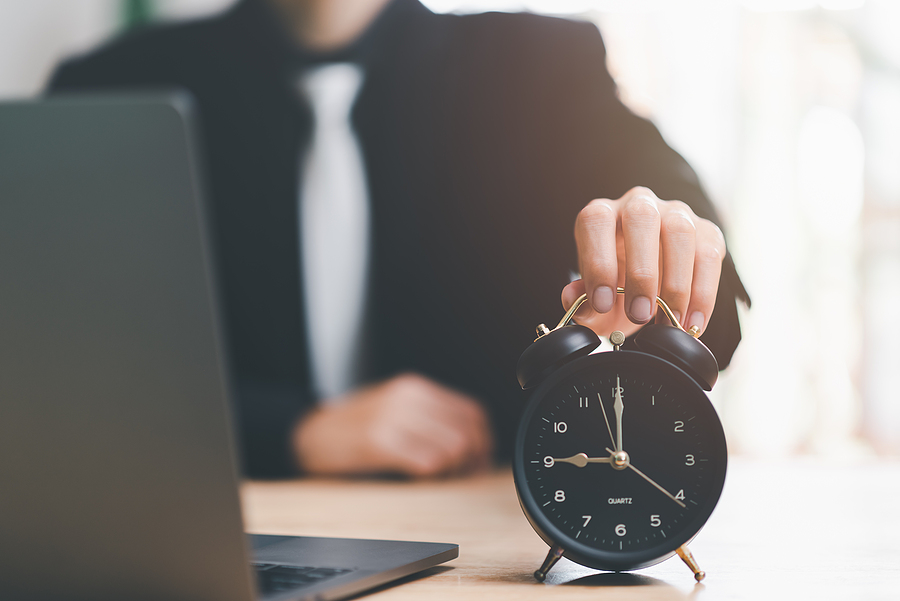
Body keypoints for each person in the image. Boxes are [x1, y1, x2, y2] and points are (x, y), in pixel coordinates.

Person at [48, 0, 749, 478]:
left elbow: (708, 308)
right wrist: (290, 430)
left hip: (477, 535)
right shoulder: (104, 89)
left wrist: (661, 248)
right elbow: (54, 374)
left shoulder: (541, 67)